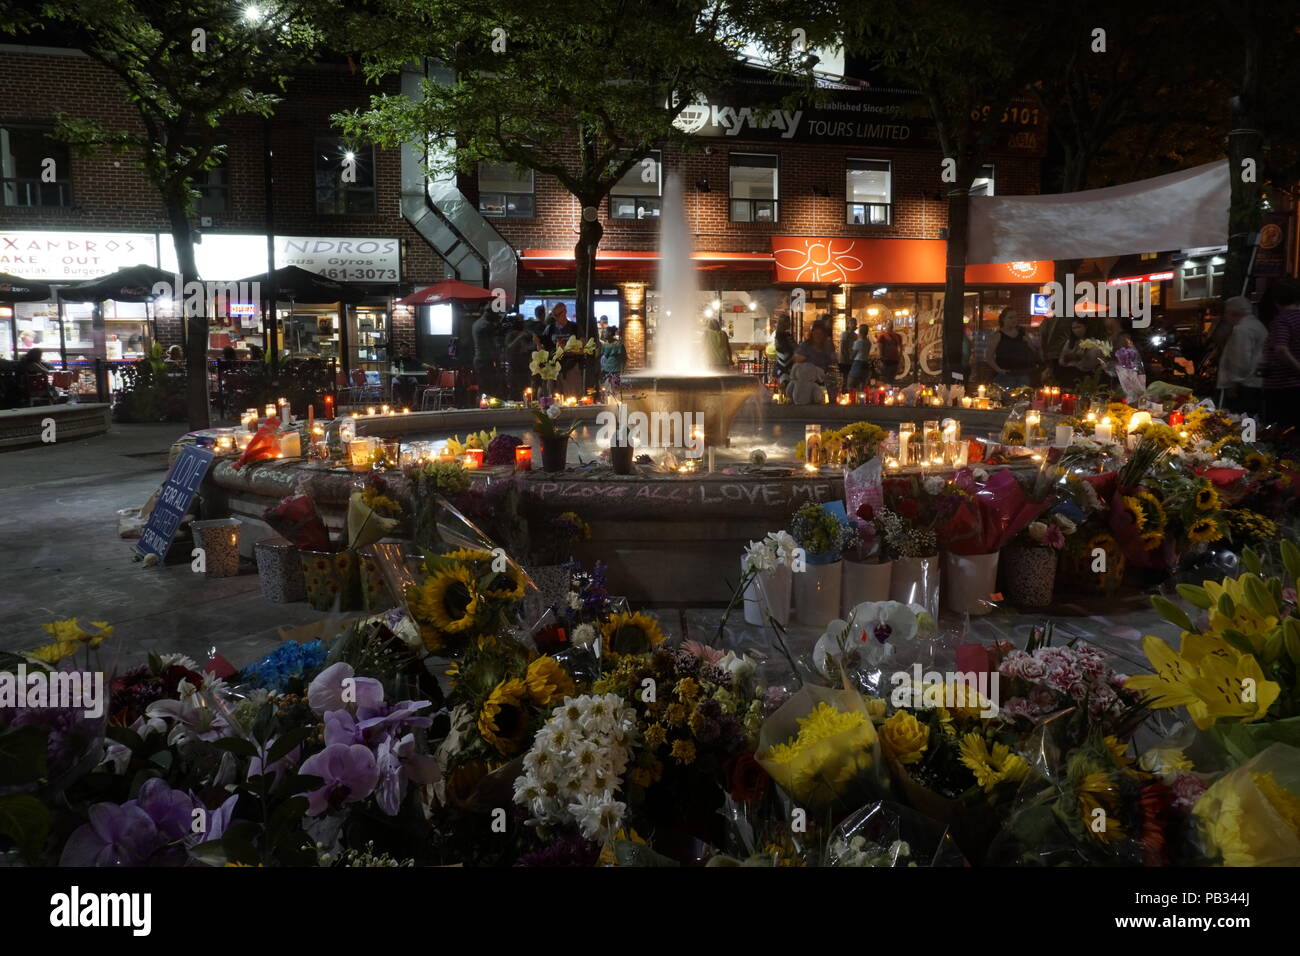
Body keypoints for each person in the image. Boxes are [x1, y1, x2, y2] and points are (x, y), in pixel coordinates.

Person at [1217, 296, 1267, 415]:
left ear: (1233, 312)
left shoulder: (1241, 330)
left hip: (1244, 385)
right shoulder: (1257, 325)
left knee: (1240, 419)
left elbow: (1240, 359)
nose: (1225, 317)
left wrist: (1234, 382)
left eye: (1226, 313)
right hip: (1255, 381)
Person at [1261, 279, 1300, 427]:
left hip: (1284, 385)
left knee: (1283, 430)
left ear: (1276, 301)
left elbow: (1281, 349)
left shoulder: (1282, 320)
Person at [985, 307, 1037, 388]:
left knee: (1023, 398)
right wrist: (998, 369)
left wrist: (1028, 342)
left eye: (1015, 317)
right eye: (1010, 317)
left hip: (1022, 373)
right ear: (1003, 319)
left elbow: (1033, 349)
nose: (1014, 320)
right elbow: (988, 356)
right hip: (1006, 374)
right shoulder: (998, 335)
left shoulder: (1022, 333)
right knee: (1007, 398)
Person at [1056, 318, 1104, 388]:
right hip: (1069, 374)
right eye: (1073, 328)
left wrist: (1080, 358)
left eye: (1078, 327)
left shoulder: (1093, 342)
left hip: (1084, 376)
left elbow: (1092, 362)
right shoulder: (1070, 342)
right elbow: (1061, 360)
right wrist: (1067, 358)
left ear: (1085, 327)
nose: (1076, 330)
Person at [503, 316, 539, 400]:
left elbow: (532, 346)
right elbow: (509, 347)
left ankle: (527, 401)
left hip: (524, 365)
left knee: (526, 387)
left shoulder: (527, 334)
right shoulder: (511, 335)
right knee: (514, 388)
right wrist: (519, 337)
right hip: (514, 365)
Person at [471, 308, 500, 398]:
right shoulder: (486, 325)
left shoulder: (477, 323)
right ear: (489, 313)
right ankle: (485, 406)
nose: (496, 317)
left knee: (483, 386)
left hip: (480, 359)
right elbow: (492, 344)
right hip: (484, 360)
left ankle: (482, 405)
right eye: (495, 315)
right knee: (487, 387)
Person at [1037, 311, 1072, 384]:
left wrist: (1044, 354)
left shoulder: (1048, 319)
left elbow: (1043, 336)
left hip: (1053, 354)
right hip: (1064, 354)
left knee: (1053, 382)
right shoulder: (1069, 318)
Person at [600, 325, 626, 396]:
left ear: (610, 333)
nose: (604, 333)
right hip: (606, 370)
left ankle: (616, 404)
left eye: (605, 332)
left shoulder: (618, 344)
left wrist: (623, 369)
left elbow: (624, 358)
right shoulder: (605, 344)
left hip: (615, 369)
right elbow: (603, 357)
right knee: (607, 389)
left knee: (615, 389)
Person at [773, 315, 796, 391]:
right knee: (788, 385)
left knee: (783, 384)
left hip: (780, 364)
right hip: (788, 364)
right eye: (788, 322)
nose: (790, 324)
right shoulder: (787, 336)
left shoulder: (777, 336)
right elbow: (795, 347)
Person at [846, 324, 871, 391]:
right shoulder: (868, 342)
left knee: (850, 383)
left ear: (860, 332)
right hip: (865, 363)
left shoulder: (858, 342)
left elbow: (852, 355)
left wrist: (849, 351)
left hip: (858, 363)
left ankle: (852, 398)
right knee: (862, 385)